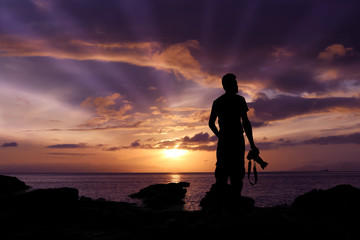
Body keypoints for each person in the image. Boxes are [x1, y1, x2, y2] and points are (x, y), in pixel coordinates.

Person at [209, 73, 259, 198]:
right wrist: (252, 144)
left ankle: (222, 207)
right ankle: (234, 205)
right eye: (236, 83)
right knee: (237, 174)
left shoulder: (218, 102)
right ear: (230, 85)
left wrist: (220, 136)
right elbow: (246, 123)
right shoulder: (239, 100)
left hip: (224, 142)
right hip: (237, 141)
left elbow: (211, 124)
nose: (237, 86)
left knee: (222, 173)